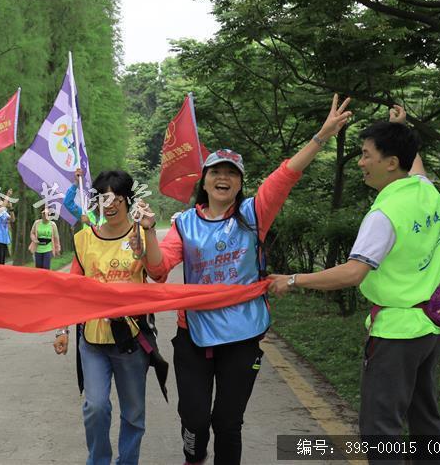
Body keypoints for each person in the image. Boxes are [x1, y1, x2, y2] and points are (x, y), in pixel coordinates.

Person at [137, 95, 353, 465]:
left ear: (240, 183)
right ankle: (194, 457)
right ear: (204, 181)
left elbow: (285, 176)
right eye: (216, 172)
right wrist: (147, 235)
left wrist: (322, 135)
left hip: (242, 334)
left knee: (228, 421)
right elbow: (158, 270)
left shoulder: (254, 214)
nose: (224, 178)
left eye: (232, 173)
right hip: (194, 335)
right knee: (194, 419)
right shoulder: (183, 223)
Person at [268, 105, 440, 464]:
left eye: (367, 155)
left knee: (381, 429)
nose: (361, 162)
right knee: (425, 419)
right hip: (431, 326)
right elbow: (417, 166)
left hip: (396, 332)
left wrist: (292, 278)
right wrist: (400, 128)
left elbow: (353, 273)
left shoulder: (383, 215)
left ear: (391, 162)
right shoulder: (426, 192)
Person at [54, 170, 166, 465]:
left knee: (134, 413)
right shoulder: (84, 240)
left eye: (117, 196)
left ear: (129, 200)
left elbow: (159, 273)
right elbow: (69, 290)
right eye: (104, 196)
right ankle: (99, 461)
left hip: (131, 340)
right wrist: (61, 330)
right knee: (96, 407)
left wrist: (150, 232)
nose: (110, 202)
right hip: (92, 340)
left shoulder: (140, 235)